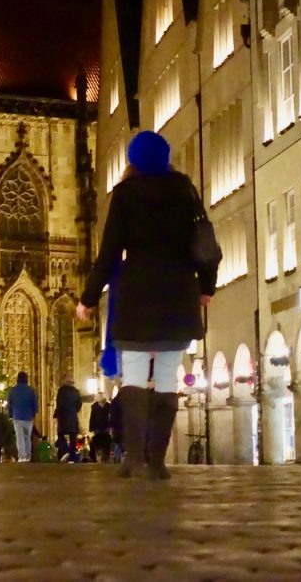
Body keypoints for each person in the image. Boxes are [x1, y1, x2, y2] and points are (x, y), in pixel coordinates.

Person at [77, 131, 218, 480]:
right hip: (178, 294)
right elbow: (205, 241)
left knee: (135, 378)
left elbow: (109, 252)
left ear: (134, 160)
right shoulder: (184, 189)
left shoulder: (126, 194)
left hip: (137, 295)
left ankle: (133, 457)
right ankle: (157, 460)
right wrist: (206, 288)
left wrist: (89, 297)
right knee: (168, 377)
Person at [7, 371, 38, 462]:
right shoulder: (31, 390)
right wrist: (34, 412)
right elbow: (34, 403)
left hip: (17, 415)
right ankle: (28, 455)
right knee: (27, 437)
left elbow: (10, 404)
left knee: (19, 436)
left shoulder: (12, 390)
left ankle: (22, 456)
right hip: (28, 416)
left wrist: (10, 414)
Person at [53, 375, 82, 462]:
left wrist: (56, 415)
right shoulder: (76, 392)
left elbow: (59, 404)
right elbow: (79, 405)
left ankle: (64, 452)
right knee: (73, 438)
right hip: (73, 417)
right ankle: (73, 456)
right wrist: (73, 411)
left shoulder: (61, 391)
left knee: (61, 436)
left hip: (63, 417)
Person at [89, 391, 112, 463]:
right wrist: (91, 429)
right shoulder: (94, 407)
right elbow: (92, 418)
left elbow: (111, 417)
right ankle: (98, 458)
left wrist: (111, 427)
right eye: (99, 396)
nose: (100, 397)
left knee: (106, 445)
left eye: (102, 396)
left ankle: (105, 459)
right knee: (97, 445)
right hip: (97, 429)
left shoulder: (109, 406)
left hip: (106, 429)